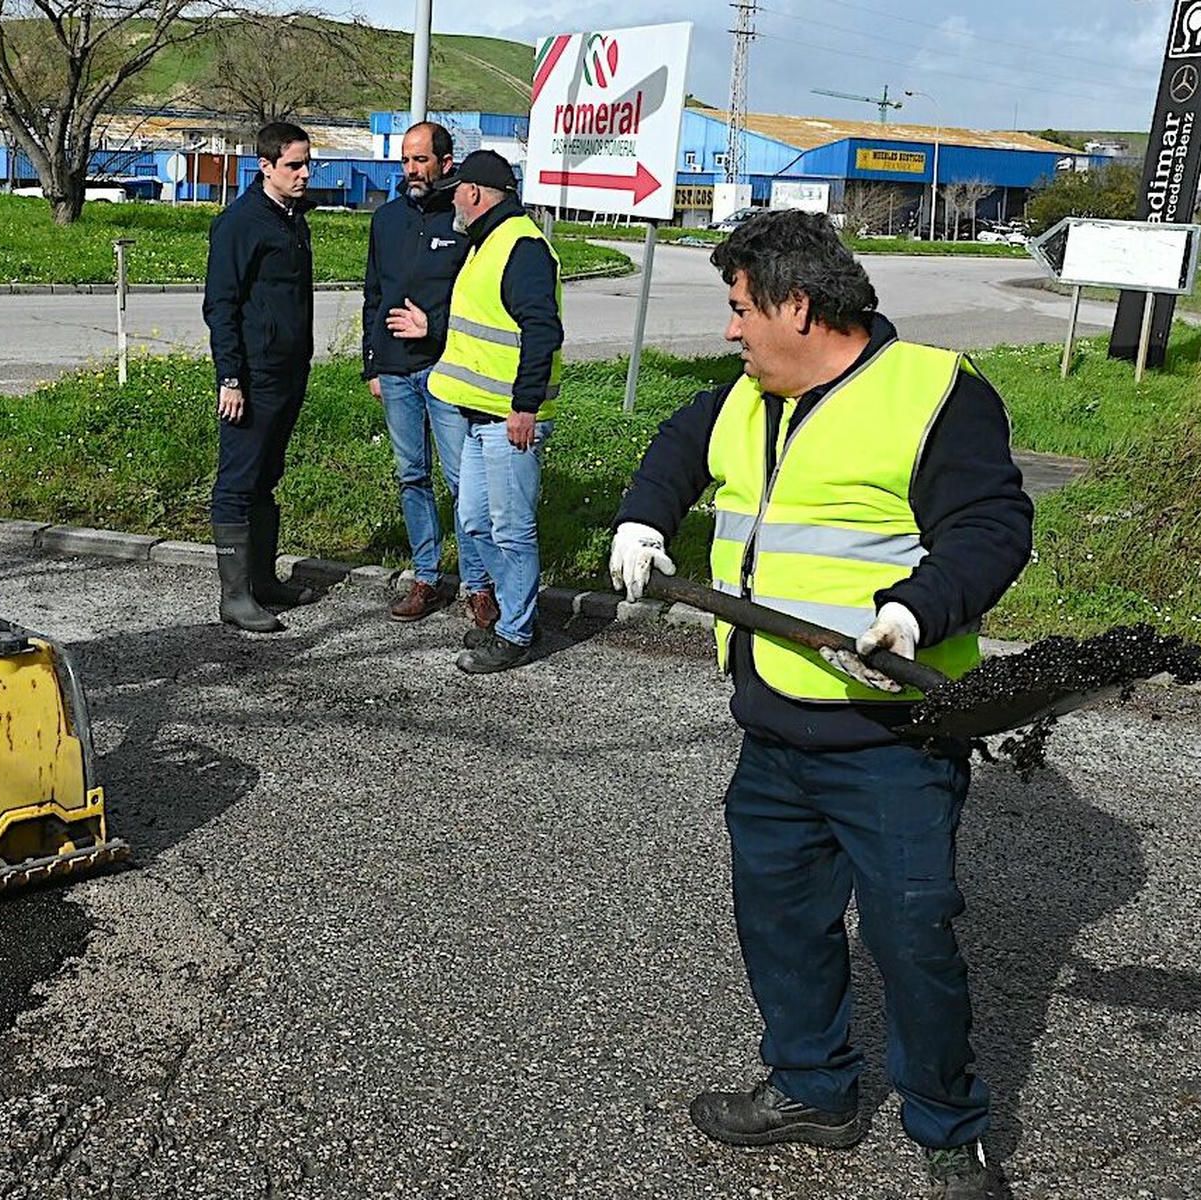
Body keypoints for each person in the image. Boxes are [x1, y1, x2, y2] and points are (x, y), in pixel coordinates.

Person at [608, 210, 1031, 1200]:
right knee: (781, 922)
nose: (729, 328)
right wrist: (641, 517)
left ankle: (947, 1128)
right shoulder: (748, 394)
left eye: (739, 308)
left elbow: (990, 526)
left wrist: (914, 611)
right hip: (771, 725)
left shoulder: (932, 394)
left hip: (890, 739)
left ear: (797, 307)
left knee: (911, 939)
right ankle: (811, 1089)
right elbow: (678, 444)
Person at [391, 149, 562, 673]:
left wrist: (525, 406)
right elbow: (485, 321)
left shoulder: (521, 246)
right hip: (478, 416)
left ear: (473, 193)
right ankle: (515, 615)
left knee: (511, 529)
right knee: (475, 520)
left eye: (457, 195)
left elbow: (542, 331)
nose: (453, 206)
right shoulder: (487, 242)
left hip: (510, 420)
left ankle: (515, 632)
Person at [361, 120, 494, 631]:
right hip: (396, 372)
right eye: (406, 160)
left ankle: (478, 586)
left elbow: (479, 299)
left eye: (421, 160)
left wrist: (432, 327)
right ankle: (426, 577)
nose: (412, 169)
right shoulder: (387, 219)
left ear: (445, 162)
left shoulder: (462, 220)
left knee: (463, 482)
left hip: (447, 370)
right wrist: (372, 363)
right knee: (411, 476)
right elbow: (373, 294)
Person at [203, 120, 322, 632]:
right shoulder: (240, 223)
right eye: (294, 165)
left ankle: (263, 580)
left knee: (266, 479)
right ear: (266, 166)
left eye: (307, 163)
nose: (304, 173)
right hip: (252, 377)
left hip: (288, 372)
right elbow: (221, 306)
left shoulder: (293, 219)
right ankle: (234, 597)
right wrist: (230, 377)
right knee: (238, 481)